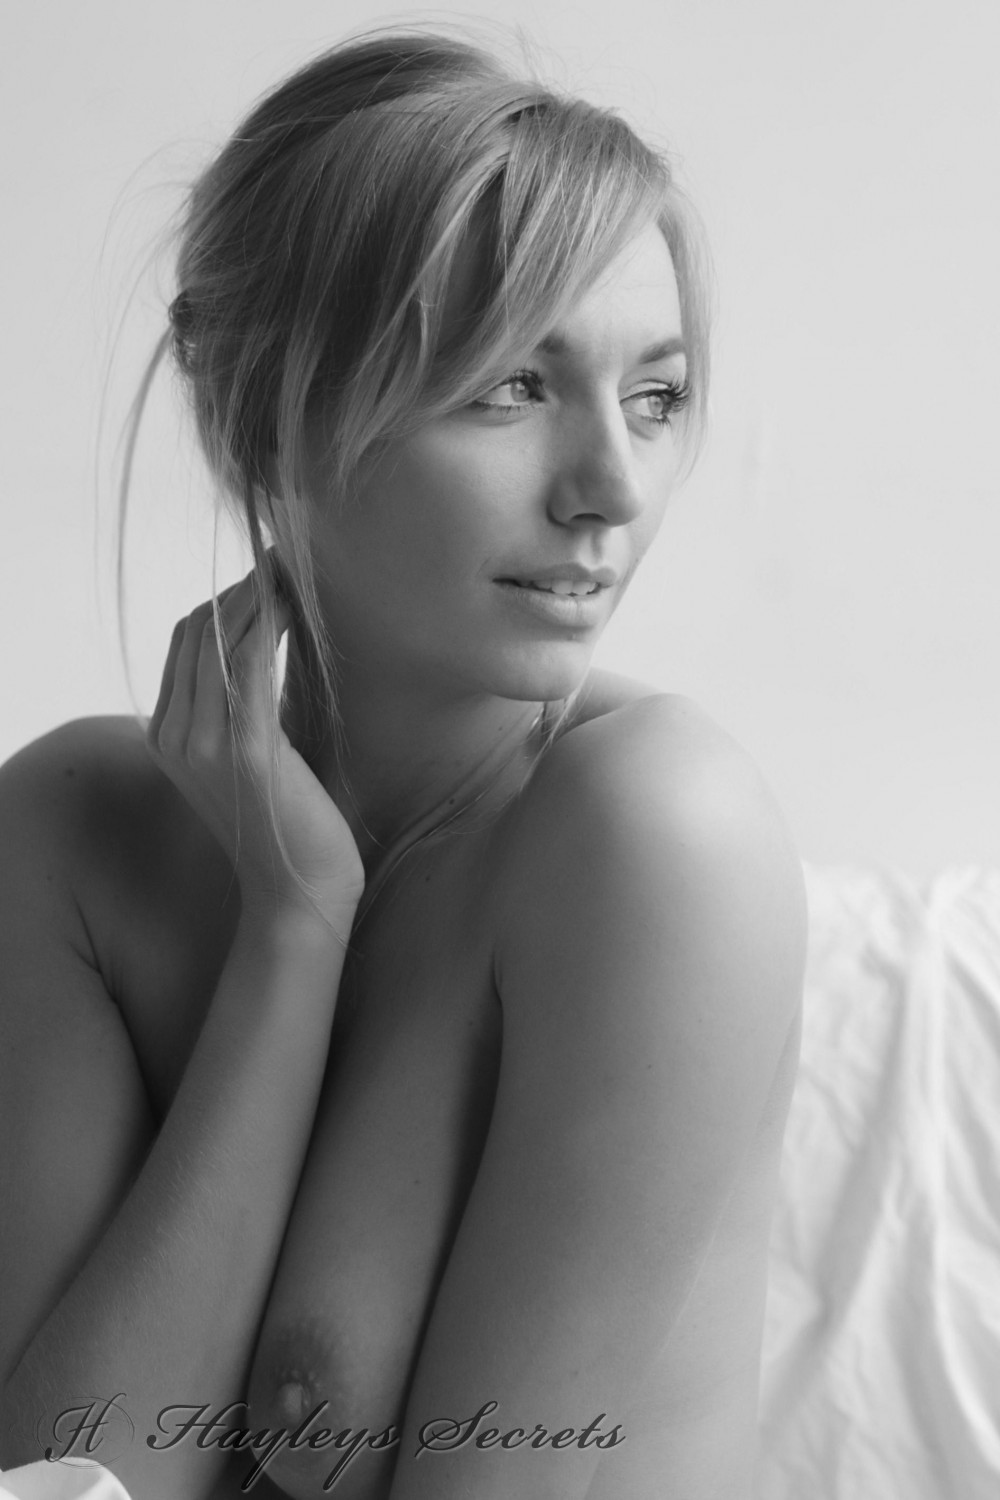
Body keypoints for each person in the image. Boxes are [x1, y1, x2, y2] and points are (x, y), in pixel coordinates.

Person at [0, 27, 806, 1500]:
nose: (611, 489)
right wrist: (291, 936)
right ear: (266, 420)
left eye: (656, 396)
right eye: (512, 387)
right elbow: (61, 1483)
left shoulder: (652, 835)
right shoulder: (68, 839)